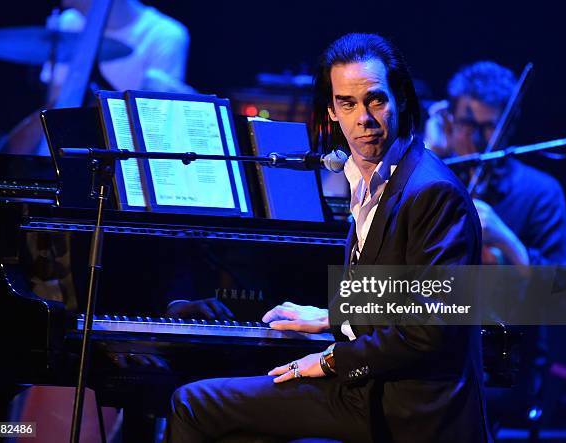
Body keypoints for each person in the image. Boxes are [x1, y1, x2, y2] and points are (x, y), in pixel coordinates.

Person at [168, 33, 489, 443]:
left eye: (376, 100)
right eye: (347, 103)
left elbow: (428, 328)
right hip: (370, 385)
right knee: (234, 425)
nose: (363, 119)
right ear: (333, 111)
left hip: (400, 406)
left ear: (401, 100)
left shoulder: (432, 192)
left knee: (194, 405)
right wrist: (332, 316)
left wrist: (331, 359)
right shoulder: (370, 179)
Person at [425, 61, 566, 266]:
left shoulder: (541, 192)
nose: (476, 139)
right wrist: (429, 151)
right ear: (448, 120)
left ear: (507, 127)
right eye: (467, 124)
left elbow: (562, 292)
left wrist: (506, 240)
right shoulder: (431, 174)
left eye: (488, 127)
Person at [42, 0, 194, 95]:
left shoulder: (165, 35)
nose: (66, 3)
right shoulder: (69, 22)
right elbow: (57, 102)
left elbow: (156, 117)